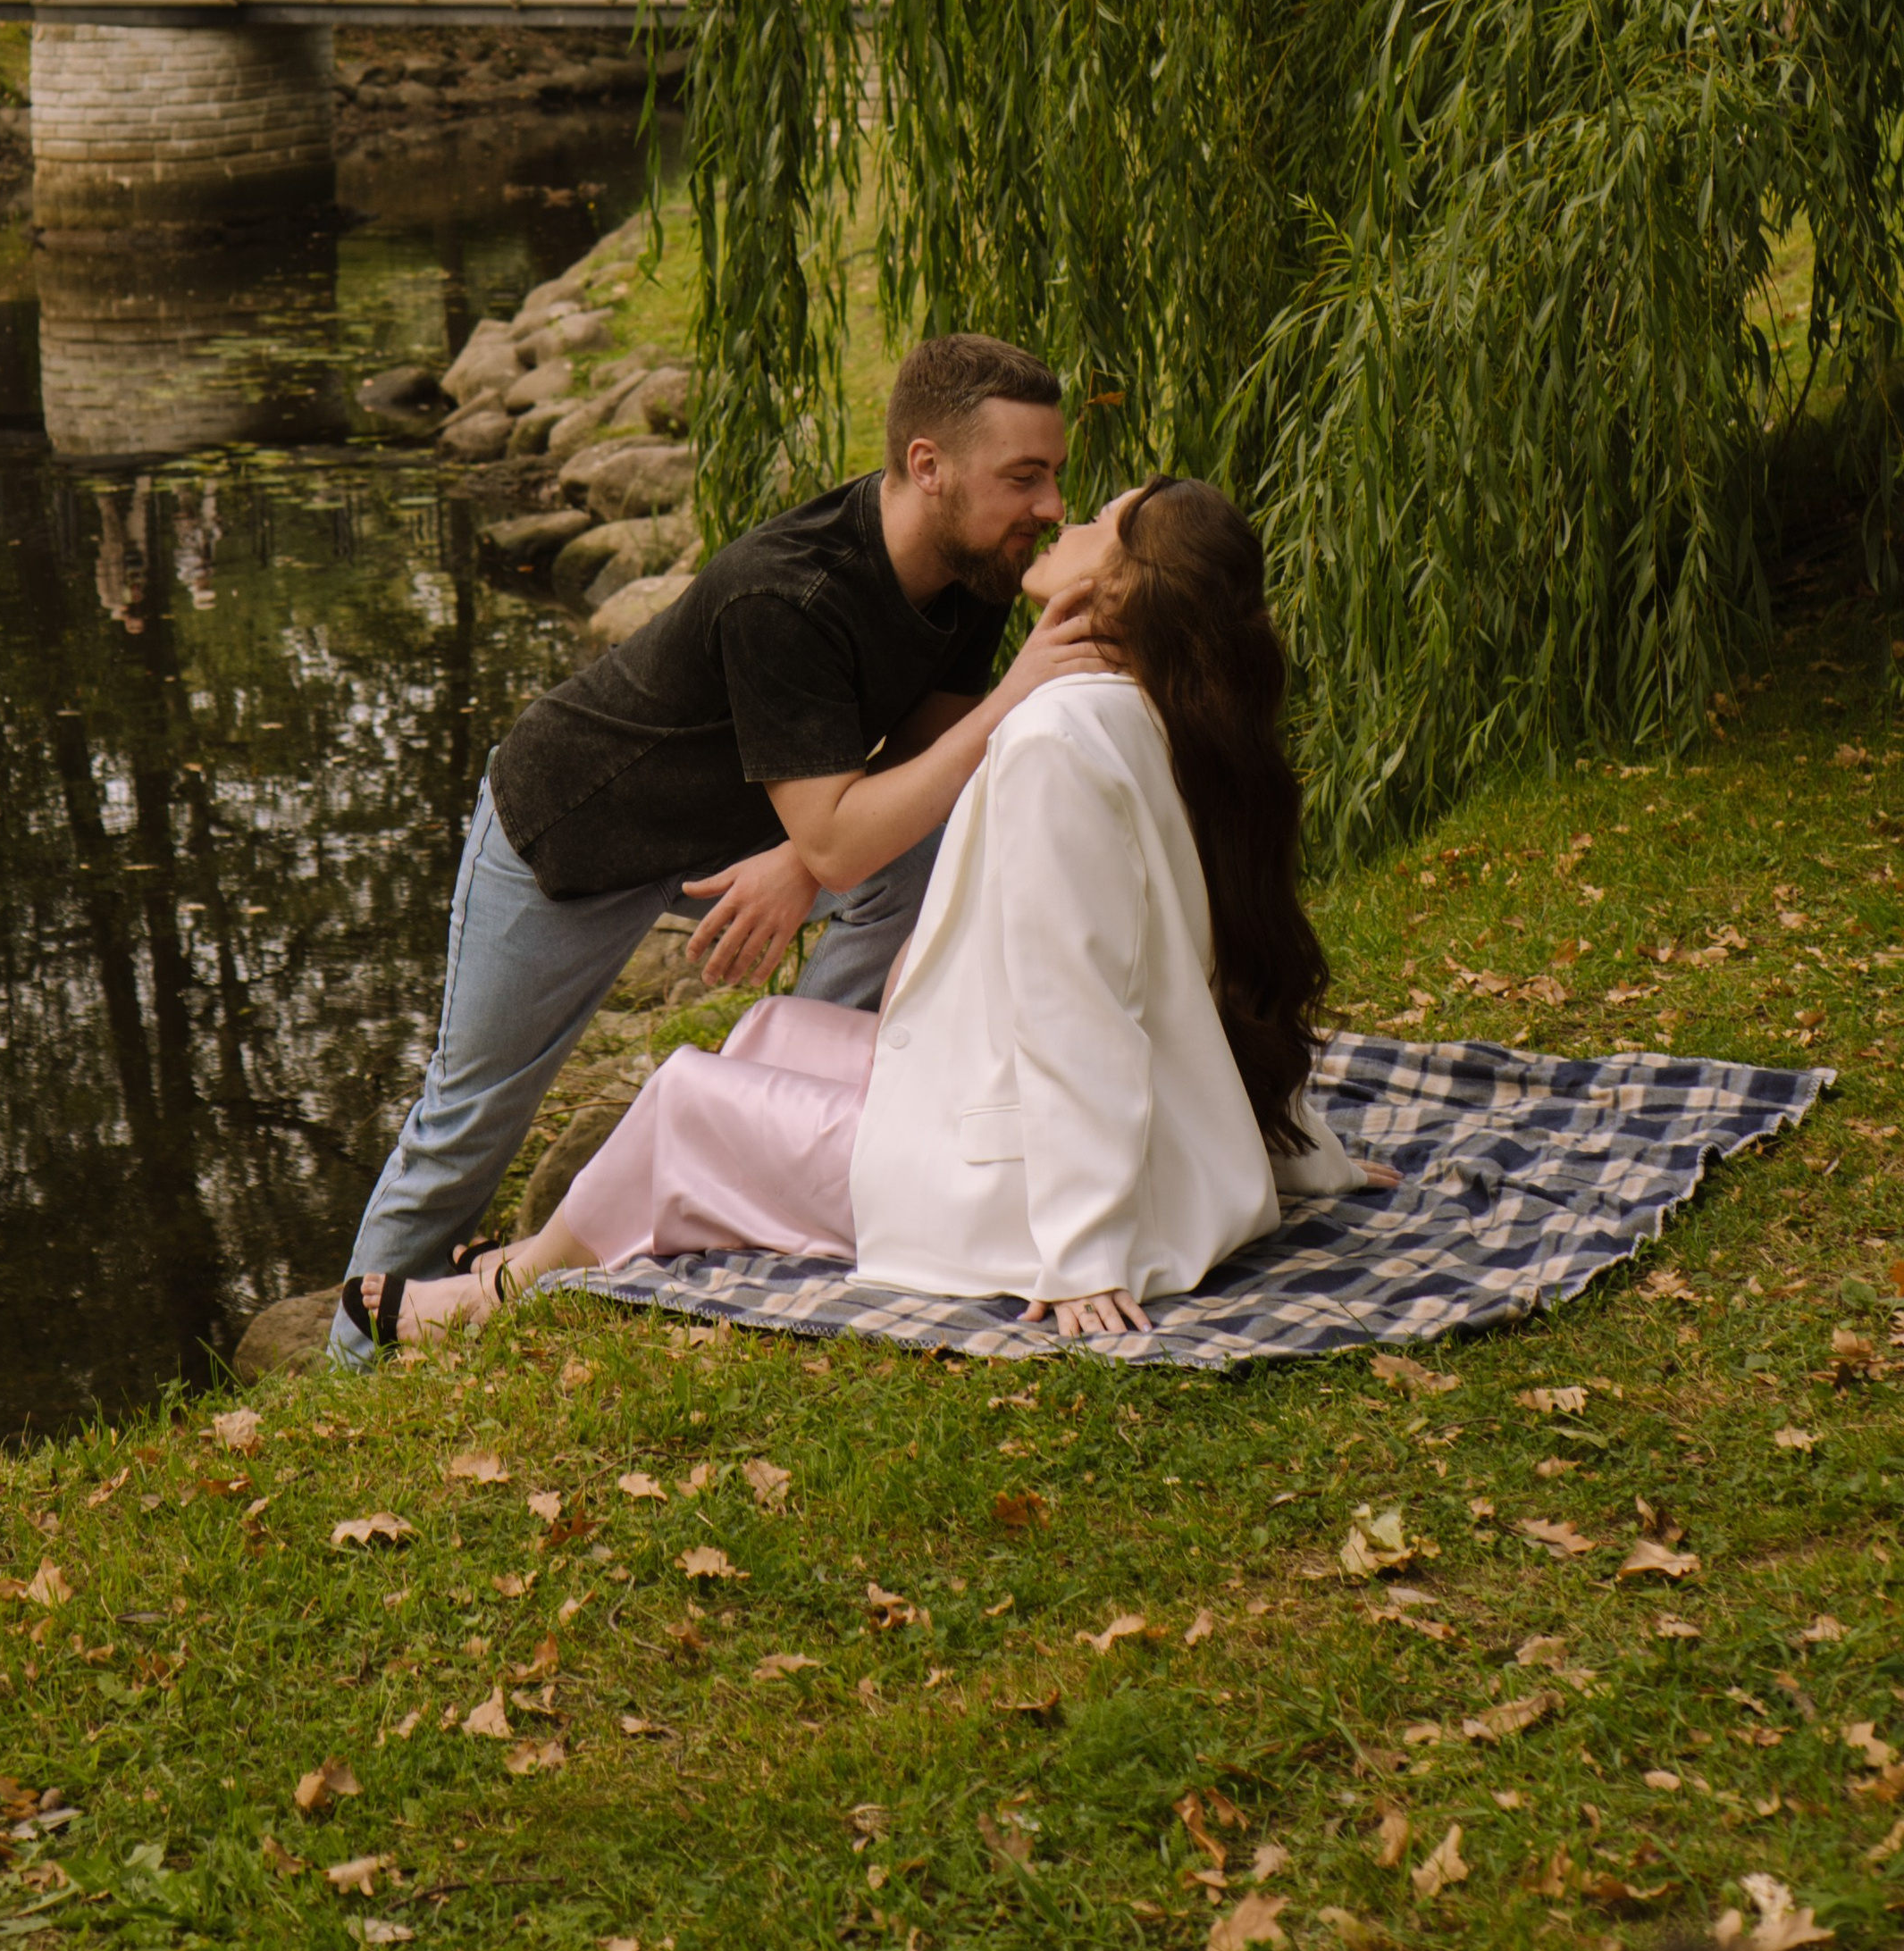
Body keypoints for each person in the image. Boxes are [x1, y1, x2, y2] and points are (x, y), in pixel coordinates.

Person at [373, 475, 1381, 1348]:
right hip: (1079, 1123)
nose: (1060, 524)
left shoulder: (1058, 741)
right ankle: (524, 1256)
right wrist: (1300, 1157)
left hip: (1021, 1191)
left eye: (1091, 529)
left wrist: (1079, 1254)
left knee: (685, 1099)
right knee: (769, 1027)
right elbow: (1233, 966)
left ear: (1112, 590)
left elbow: (1073, 1006)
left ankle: (503, 1288)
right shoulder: (1175, 709)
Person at [333, 333, 1099, 1361]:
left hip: (740, 835)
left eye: (1052, 476)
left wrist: (808, 855)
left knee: (920, 853)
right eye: (1025, 477)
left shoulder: (967, 573)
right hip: (567, 840)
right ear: (929, 467)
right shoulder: (787, 592)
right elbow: (864, 810)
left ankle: (774, 1132)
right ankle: (350, 1374)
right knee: (464, 1127)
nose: (1049, 506)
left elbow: (923, 764)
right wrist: (846, 825)